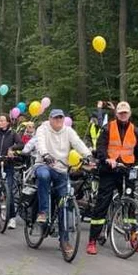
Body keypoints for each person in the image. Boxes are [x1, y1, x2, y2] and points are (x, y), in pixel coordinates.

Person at [24, 109, 93, 257]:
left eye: (61, 118)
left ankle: (65, 241)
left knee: (64, 204)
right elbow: (40, 142)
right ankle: (43, 212)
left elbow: (78, 143)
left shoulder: (68, 131)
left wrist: (88, 155)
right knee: (43, 176)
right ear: (50, 119)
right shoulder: (43, 128)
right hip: (44, 164)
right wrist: (45, 154)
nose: (58, 121)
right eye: (55, 118)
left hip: (62, 169)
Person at [87, 101, 138, 255]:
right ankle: (92, 240)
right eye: (120, 112)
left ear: (129, 114)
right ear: (116, 114)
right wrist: (107, 159)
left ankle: (133, 238)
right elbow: (100, 147)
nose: (123, 115)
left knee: (130, 203)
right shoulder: (108, 128)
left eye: (125, 113)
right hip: (109, 169)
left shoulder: (136, 131)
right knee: (103, 202)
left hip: (127, 170)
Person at [0, 114, 23, 229]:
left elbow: (21, 144)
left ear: (8, 122)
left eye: (3, 121)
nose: (0, 123)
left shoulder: (13, 134)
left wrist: (12, 149)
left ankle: (12, 218)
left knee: (8, 191)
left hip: (8, 164)